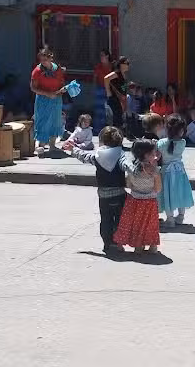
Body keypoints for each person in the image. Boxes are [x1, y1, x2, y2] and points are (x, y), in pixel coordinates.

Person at [64, 126, 131, 254]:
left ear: (102, 141)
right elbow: (127, 165)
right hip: (119, 194)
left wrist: (73, 149)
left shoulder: (98, 156)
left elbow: (84, 156)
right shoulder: (120, 155)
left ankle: (108, 243)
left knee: (106, 219)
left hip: (103, 195)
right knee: (119, 219)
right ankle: (118, 242)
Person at [113, 139, 162, 254]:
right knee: (150, 224)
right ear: (146, 155)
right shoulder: (155, 171)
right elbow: (158, 188)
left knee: (135, 223)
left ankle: (138, 245)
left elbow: (129, 184)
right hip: (150, 202)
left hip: (134, 200)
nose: (155, 156)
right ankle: (152, 245)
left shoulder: (132, 169)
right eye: (153, 153)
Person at [157, 114, 195, 228]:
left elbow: (158, 156)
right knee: (180, 193)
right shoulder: (183, 142)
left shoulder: (161, 143)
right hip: (179, 171)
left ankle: (170, 219)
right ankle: (180, 217)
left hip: (166, 171)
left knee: (167, 194)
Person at [30, 47, 67, 155]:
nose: (43, 62)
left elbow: (61, 83)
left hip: (56, 99)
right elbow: (33, 88)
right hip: (43, 100)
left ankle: (52, 145)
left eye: (45, 60)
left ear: (51, 58)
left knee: (55, 121)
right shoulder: (37, 71)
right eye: (41, 60)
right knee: (43, 122)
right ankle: (40, 146)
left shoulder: (57, 69)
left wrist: (62, 90)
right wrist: (47, 94)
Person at [104, 56, 130, 131]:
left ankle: (117, 133)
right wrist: (108, 92)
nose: (128, 65)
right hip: (114, 99)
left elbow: (123, 88)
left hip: (120, 100)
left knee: (119, 119)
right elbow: (106, 78)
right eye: (126, 63)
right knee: (115, 119)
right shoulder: (116, 73)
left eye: (128, 63)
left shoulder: (123, 75)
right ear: (121, 64)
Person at [93, 49, 112, 132]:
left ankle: (108, 129)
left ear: (107, 56)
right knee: (98, 110)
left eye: (102, 55)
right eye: (100, 55)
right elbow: (95, 78)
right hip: (100, 88)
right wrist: (94, 89)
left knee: (108, 110)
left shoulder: (111, 66)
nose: (101, 57)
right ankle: (97, 129)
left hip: (109, 90)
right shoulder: (98, 66)